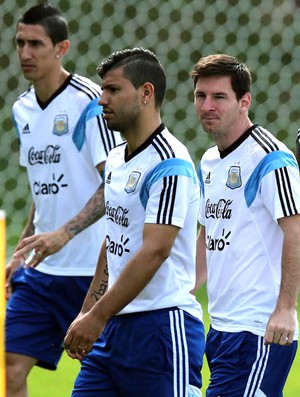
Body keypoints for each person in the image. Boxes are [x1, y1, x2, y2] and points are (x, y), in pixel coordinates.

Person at [64, 47, 205, 397]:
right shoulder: (115, 159)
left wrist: (97, 316)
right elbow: (114, 241)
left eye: (113, 90)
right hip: (113, 328)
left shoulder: (170, 164)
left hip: (161, 328)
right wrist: (88, 313)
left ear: (146, 93)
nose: (101, 100)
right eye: (102, 90)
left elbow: (155, 251)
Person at [5, 3, 122, 397]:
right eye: (20, 42)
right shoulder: (22, 108)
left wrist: (65, 234)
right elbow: (44, 187)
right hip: (42, 270)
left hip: (92, 269)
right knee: (8, 368)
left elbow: (115, 185)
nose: (25, 53)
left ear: (62, 48)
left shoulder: (90, 104)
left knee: (105, 375)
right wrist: (23, 247)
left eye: (36, 43)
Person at [191, 53, 300, 397]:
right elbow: (208, 230)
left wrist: (285, 308)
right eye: (201, 96)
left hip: (261, 330)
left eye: (219, 97)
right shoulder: (208, 161)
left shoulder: (270, 159)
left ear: (244, 101)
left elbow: (296, 232)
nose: (207, 105)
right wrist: (187, 287)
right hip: (221, 327)